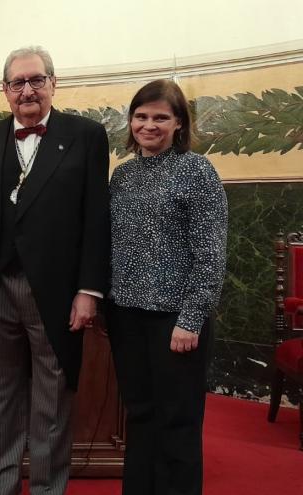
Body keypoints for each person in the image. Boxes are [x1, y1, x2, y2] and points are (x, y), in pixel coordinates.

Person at [0, 46, 110, 495]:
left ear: (53, 83)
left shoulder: (86, 135)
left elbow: (95, 218)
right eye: (16, 83)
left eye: (36, 80)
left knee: (51, 402)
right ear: (4, 91)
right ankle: (1, 488)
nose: (26, 90)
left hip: (57, 292)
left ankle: (48, 489)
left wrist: (88, 290)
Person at [107, 79, 227, 495]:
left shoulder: (198, 171)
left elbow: (210, 254)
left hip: (177, 322)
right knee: (139, 417)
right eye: (141, 116)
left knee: (178, 422)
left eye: (160, 117)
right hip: (126, 318)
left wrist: (191, 319)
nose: (149, 124)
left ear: (179, 123)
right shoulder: (121, 177)